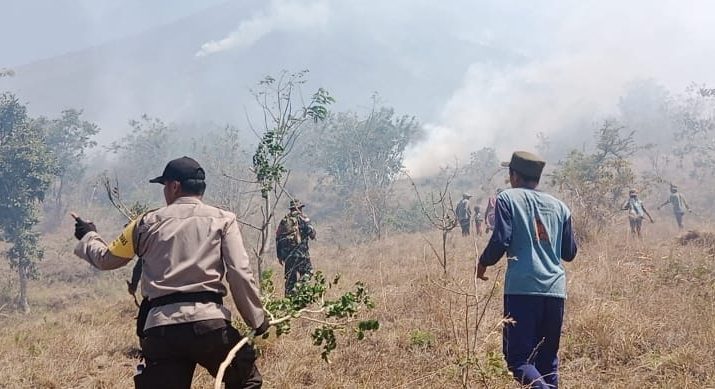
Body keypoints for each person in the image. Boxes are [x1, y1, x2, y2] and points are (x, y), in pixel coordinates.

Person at [72, 156, 268, 389]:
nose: (165, 191)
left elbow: (105, 259)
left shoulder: (145, 223)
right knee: (246, 380)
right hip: (210, 327)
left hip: (161, 331)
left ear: (174, 186)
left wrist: (88, 235)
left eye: (164, 185)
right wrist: (257, 319)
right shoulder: (223, 220)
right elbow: (239, 273)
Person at [476, 151, 578, 389]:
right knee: (547, 361)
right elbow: (569, 253)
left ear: (514, 175)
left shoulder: (507, 198)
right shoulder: (560, 207)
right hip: (555, 291)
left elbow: (501, 240)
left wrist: (483, 263)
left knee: (519, 360)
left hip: (522, 290)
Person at [276, 199, 316, 296]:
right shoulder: (303, 218)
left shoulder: (284, 221)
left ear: (291, 209)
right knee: (308, 272)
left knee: (290, 281)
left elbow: (277, 238)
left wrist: (280, 257)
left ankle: (289, 305)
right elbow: (312, 234)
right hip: (301, 254)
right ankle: (298, 289)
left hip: (288, 257)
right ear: (300, 208)